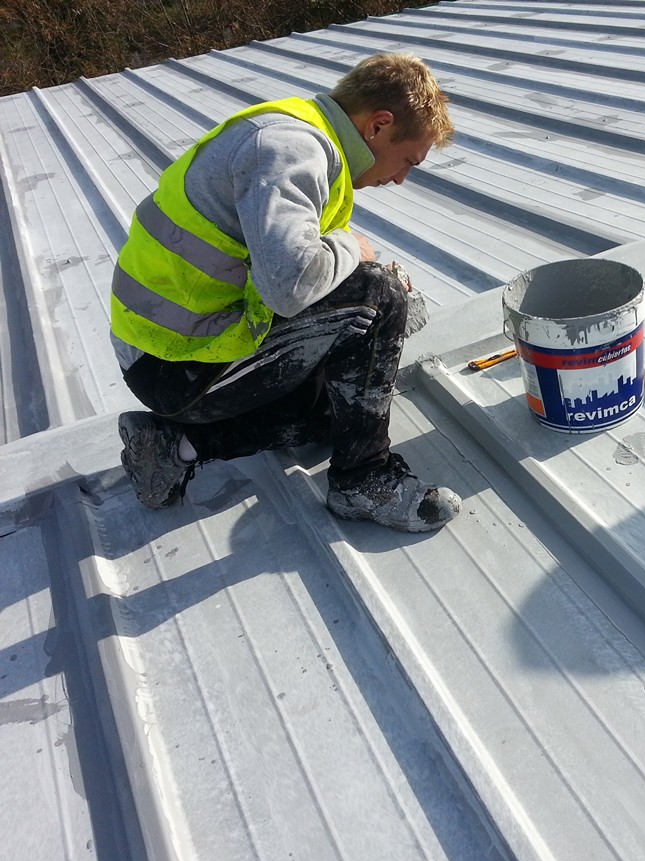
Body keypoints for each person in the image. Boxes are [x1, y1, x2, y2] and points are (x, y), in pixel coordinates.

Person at [110, 53, 461, 532]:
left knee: (345, 405)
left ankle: (174, 447)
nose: (401, 178)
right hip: (174, 364)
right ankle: (363, 480)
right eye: (408, 161)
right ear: (379, 125)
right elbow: (290, 287)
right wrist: (352, 249)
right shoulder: (288, 148)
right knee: (380, 295)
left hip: (183, 348)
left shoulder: (308, 137)